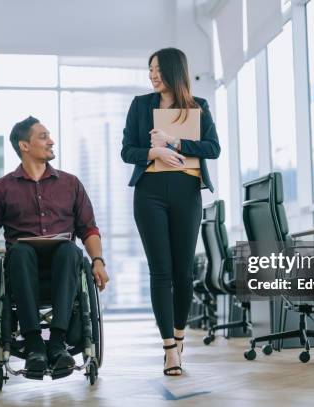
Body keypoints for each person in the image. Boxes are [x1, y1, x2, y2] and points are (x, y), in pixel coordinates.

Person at [0, 116, 110, 374]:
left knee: (70, 249)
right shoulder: (1, 188)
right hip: (22, 270)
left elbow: (88, 229)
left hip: (63, 268)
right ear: (24, 146)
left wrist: (98, 261)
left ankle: (57, 343)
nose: (51, 141)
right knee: (21, 251)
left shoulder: (70, 184)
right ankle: (34, 345)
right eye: (44, 136)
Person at [121, 48, 220, 376]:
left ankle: (179, 336)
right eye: (150, 69)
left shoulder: (198, 107)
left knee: (183, 273)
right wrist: (154, 151)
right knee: (160, 271)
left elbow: (213, 148)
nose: (152, 75)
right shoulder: (140, 106)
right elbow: (127, 151)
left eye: (158, 70)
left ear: (175, 71)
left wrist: (175, 142)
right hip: (149, 192)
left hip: (186, 192)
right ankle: (168, 349)